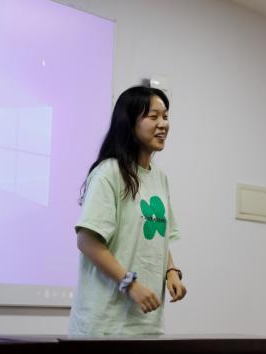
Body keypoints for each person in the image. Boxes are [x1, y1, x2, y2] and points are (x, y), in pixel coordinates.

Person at [68, 85, 187, 336]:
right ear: (130, 124)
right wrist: (130, 284)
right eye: (153, 117)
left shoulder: (160, 178)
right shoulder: (109, 173)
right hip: (105, 326)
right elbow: (87, 241)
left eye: (165, 116)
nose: (163, 124)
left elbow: (157, 235)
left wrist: (171, 271)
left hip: (147, 325)